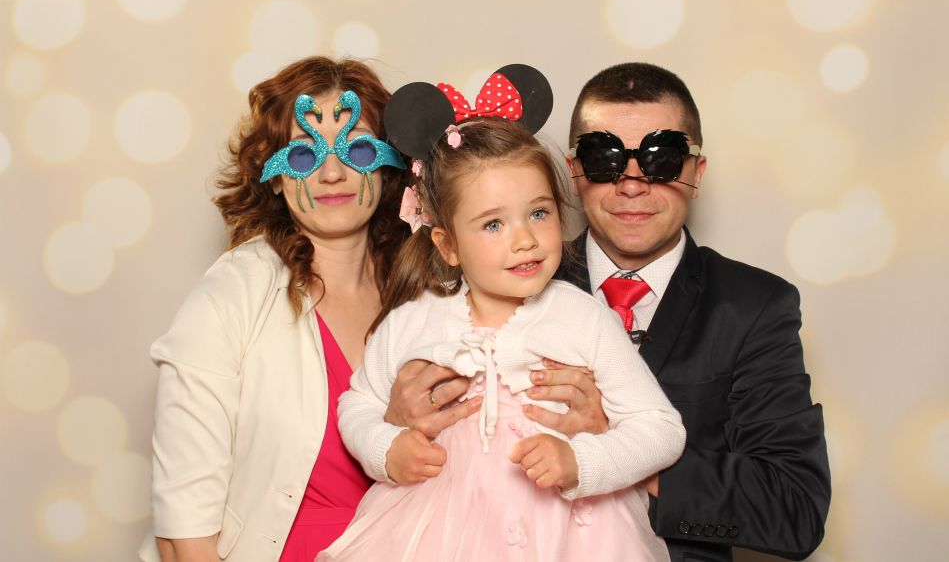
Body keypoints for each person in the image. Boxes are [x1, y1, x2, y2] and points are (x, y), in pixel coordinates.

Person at [385, 62, 831, 562]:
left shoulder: (752, 307)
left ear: (695, 173)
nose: (633, 182)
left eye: (663, 157)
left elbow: (795, 512)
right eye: (604, 157)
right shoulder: (499, 279)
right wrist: (395, 422)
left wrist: (615, 445)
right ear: (574, 173)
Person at [316, 66, 686, 561]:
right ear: (447, 245)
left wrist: (582, 461)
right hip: (440, 532)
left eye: (539, 213)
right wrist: (386, 449)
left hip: (569, 539)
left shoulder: (583, 318)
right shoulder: (414, 321)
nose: (525, 239)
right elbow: (357, 406)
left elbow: (660, 429)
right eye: (493, 224)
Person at [141, 57, 451, 561]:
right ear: (274, 176)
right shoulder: (230, 295)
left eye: (357, 149)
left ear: (390, 164)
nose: (332, 173)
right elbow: (183, 531)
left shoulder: (431, 291)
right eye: (305, 155)